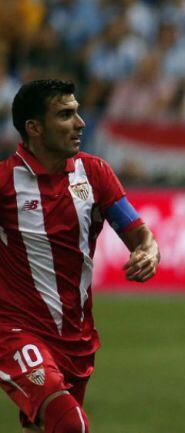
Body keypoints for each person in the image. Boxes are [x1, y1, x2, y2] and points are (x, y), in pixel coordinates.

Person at [0, 79, 160, 431]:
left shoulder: (95, 173)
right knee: (72, 424)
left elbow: (139, 234)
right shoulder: (5, 182)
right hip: (14, 331)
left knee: (44, 426)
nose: (80, 122)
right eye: (65, 114)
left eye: (77, 112)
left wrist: (149, 252)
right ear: (34, 128)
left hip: (76, 337)